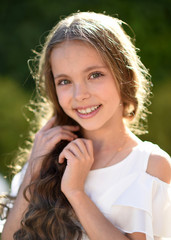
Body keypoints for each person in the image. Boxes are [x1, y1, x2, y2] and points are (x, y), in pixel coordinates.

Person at [1, 11, 171, 240]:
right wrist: (33, 168)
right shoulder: (44, 157)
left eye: (94, 75)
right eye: (65, 81)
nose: (79, 95)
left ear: (124, 75)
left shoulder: (150, 167)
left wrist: (76, 193)